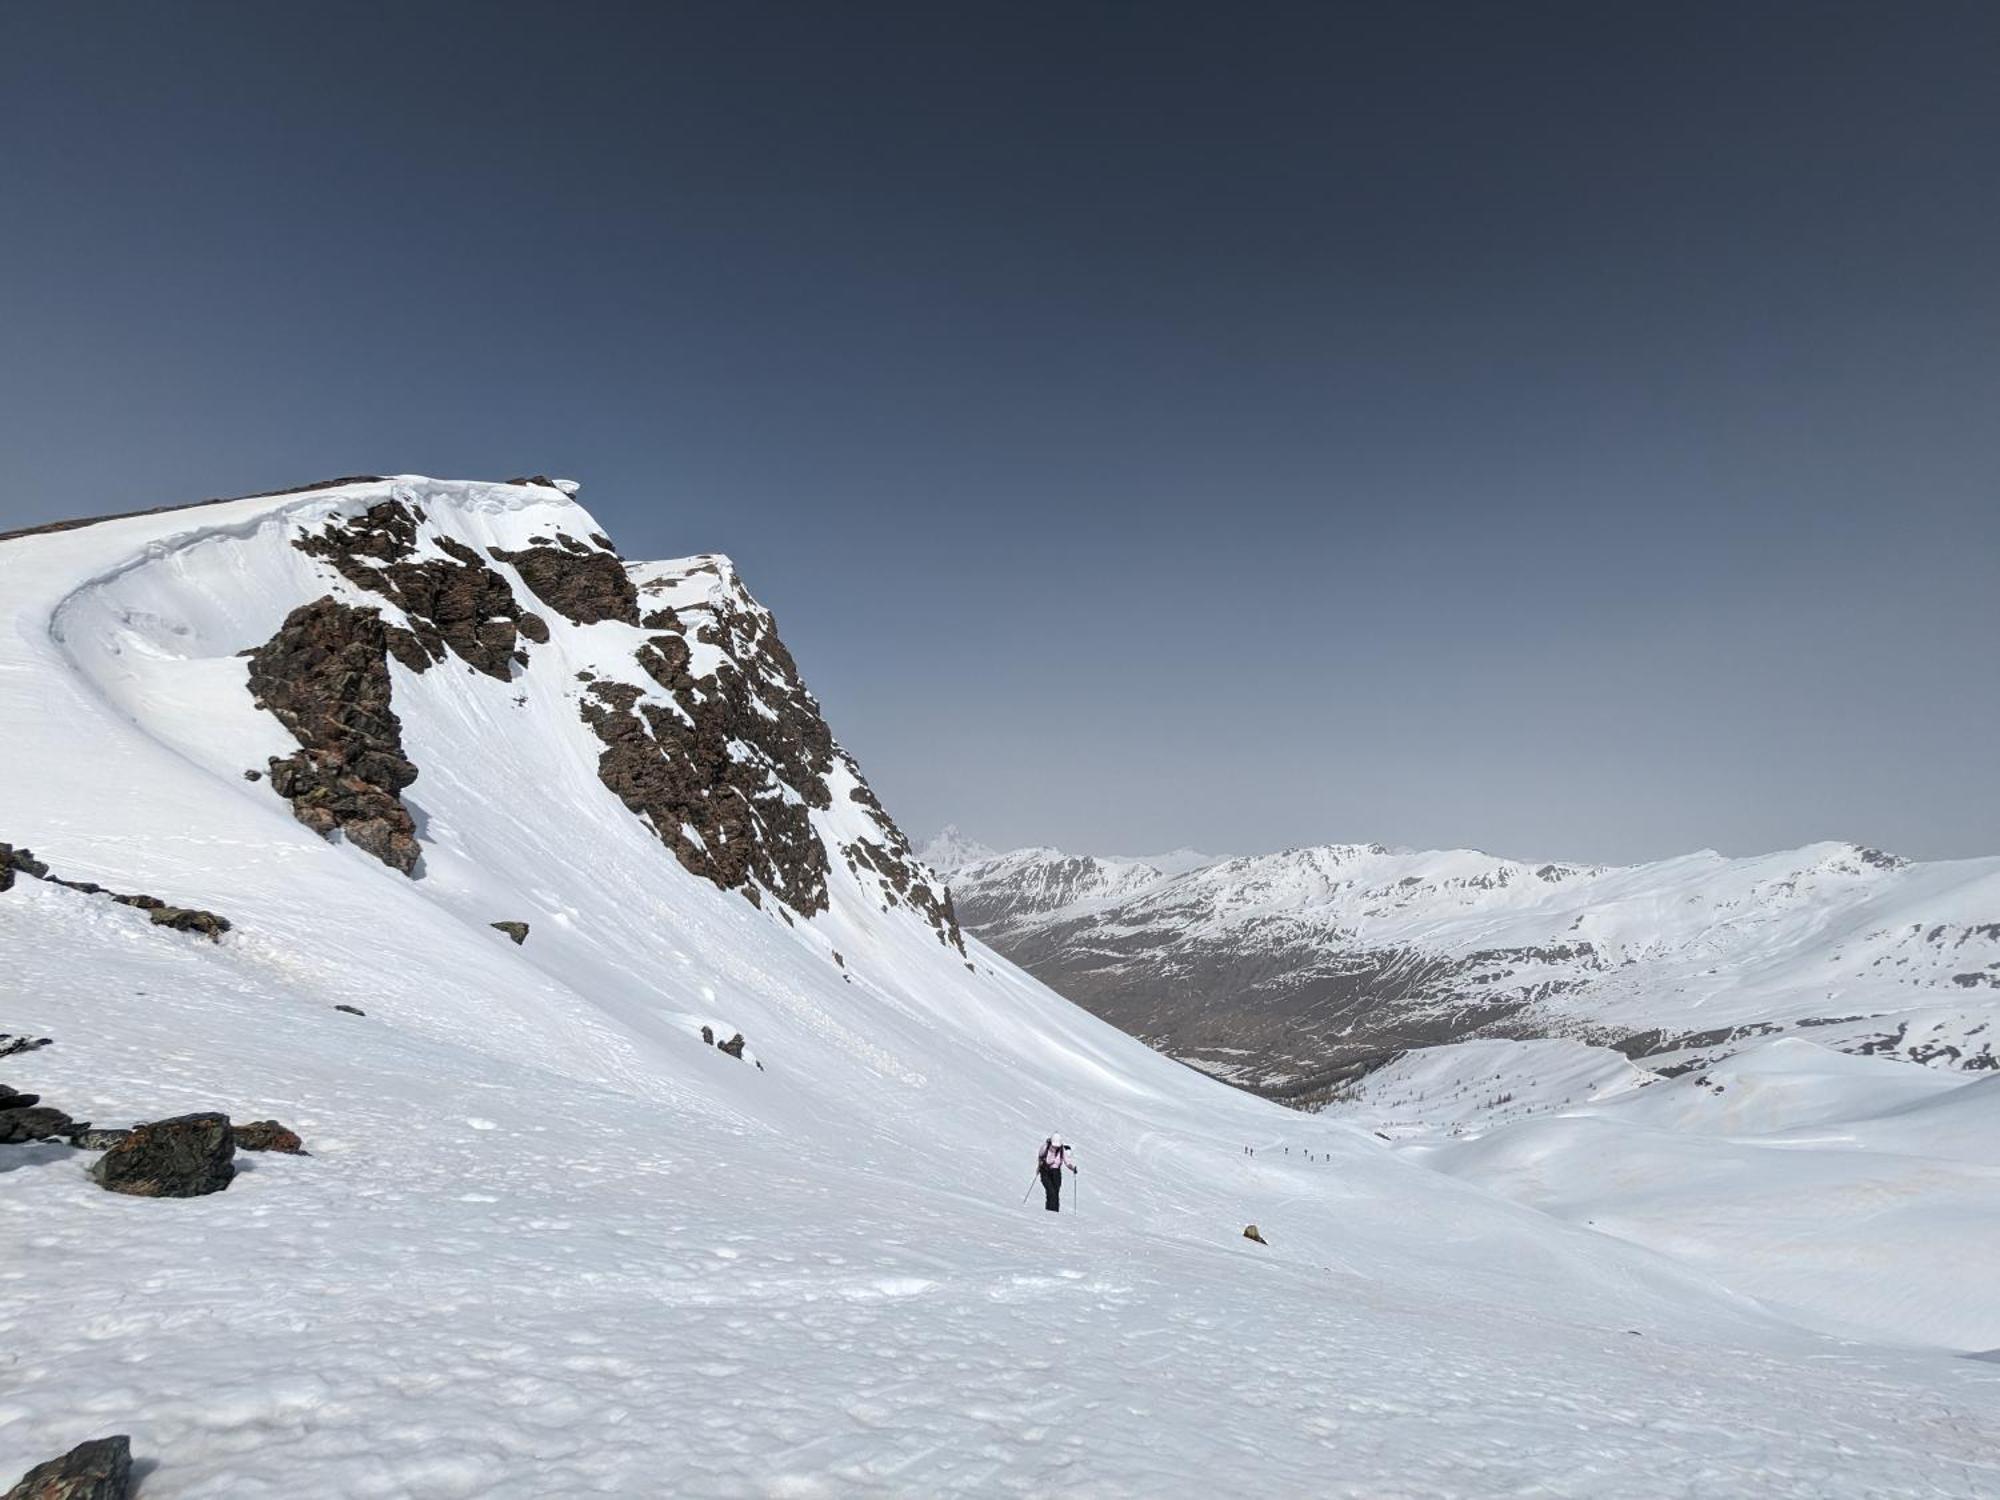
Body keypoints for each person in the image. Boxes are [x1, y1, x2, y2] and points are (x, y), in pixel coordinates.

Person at [1037, 1134, 1078, 1212]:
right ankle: (1049, 1211)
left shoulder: (1062, 1150)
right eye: (1054, 1145)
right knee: (1050, 1191)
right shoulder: (1045, 1147)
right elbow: (1040, 1156)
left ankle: (1055, 1212)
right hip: (1045, 1171)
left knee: (1056, 1192)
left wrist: (1072, 1168)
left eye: (1057, 1146)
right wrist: (1039, 1166)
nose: (1055, 1147)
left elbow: (1067, 1161)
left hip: (1056, 1172)